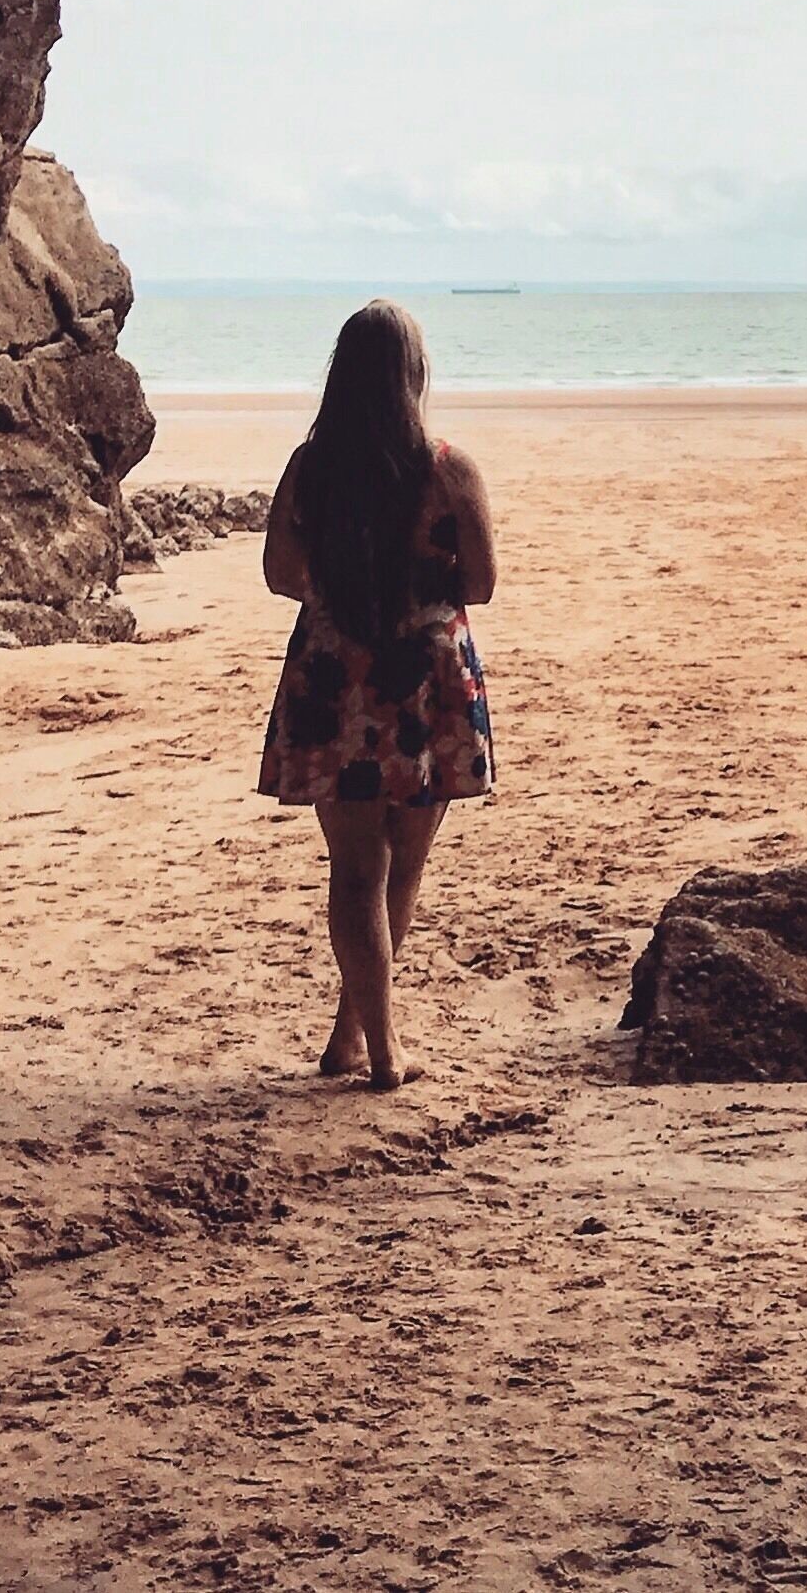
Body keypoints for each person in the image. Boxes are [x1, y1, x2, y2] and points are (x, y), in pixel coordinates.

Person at [258, 299, 497, 1088]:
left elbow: (278, 575)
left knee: (354, 868)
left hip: (335, 678)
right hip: (425, 678)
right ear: (413, 375)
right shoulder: (448, 467)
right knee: (404, 868)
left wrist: (338, 601)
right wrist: (420, 598)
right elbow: (484, 585)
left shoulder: (311, 465)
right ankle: (384, 1048)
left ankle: (354, 1040)